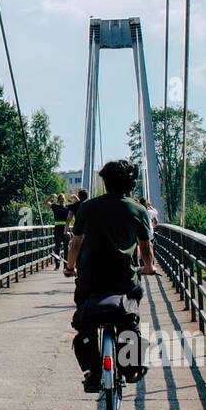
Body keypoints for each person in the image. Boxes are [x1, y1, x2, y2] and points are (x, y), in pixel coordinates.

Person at [64, 160, 156, 392]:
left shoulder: (87, 208)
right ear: (130, 184)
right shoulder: (138, 210)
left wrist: (70, 266)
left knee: (85, 319)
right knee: (129, 314)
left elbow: (75, 244)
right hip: (124, 280)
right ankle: (130, 363)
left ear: (104, 182)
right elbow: (145, 248)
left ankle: (93, 371)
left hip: (90, 280)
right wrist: (149, 267)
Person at [48, 195, 69, 270]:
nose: (61, 200)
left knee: (66, 248)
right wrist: (51, 196)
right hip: (57, 230)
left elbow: (79, 203)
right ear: (58, 200)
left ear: (65, 199)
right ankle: (57, 265)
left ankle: (66, 266)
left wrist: (75, 197)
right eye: (60, 199)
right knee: (57, 248)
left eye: (63, 199)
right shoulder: (55, 206)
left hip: (66, 230)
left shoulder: (68, 207)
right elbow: (47, 203)